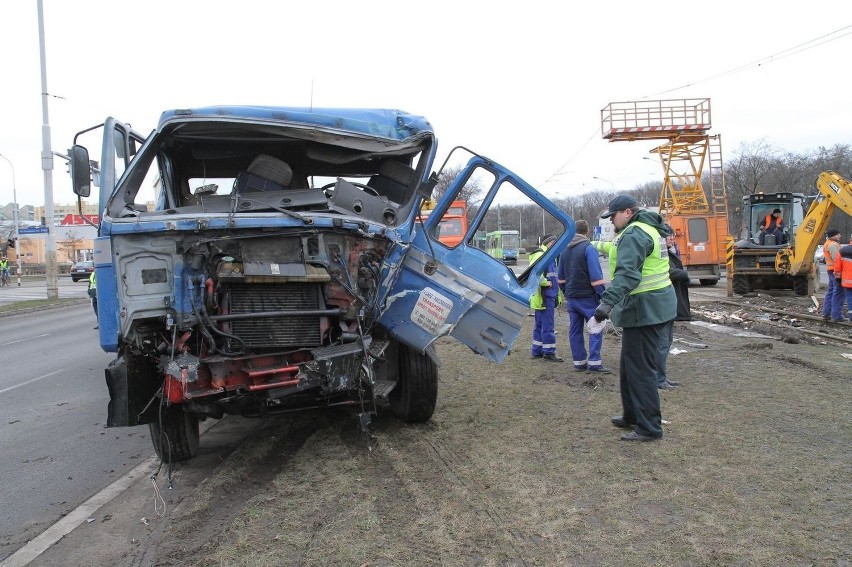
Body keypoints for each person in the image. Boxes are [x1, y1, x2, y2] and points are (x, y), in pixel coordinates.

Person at [592, 195, 676, 442]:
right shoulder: (650, 229)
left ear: (627, 212)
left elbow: (628, 276)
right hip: (653, 306)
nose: (611, 222)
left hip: (645, 309)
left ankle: (649, 427)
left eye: (613, 216)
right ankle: (632, 414)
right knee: (630, 367)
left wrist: (606, 304)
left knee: (641, 370)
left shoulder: (634, 234)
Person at [558, 220, 610, 373]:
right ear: (587, 232)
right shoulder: (589, 248)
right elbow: (596, 277)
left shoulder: (564, 250)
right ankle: (594, 362)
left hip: (572, 298)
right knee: (596, 327)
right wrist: (603, 296)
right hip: (588, 298)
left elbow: (560, 278)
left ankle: (579, 362)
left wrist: (566, 292)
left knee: (575, 330)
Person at [656, 224, 689, 390]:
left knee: (667, 342)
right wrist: (684, 274)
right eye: (668, 235)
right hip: (663, 304)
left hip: (670, 303)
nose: (671, 238)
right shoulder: (660, 255)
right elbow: (666, 272)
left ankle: (662, 377)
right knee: (662, 343)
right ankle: (659, 379)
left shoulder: (668, 252)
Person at [529, 234, 563, 362]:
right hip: (545, 296)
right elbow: (534, 273)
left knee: (540, 324)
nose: (555, 245)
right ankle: (549, 352)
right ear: (549, 243)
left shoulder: (547, 255)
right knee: (547, 325)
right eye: (554, 242)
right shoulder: (541, 255)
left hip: (544, 296)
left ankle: (537, 350)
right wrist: (545, 282)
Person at [821, 228, 844, 322]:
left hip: (831, 270)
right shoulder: (833, 245)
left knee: (831, 292)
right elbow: (838, 259)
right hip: (836, 271)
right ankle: (836, 315)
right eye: (838, 234)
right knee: (838, 293)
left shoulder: (827, 243)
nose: (840, 236)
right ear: (833, 235)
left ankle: (826, 313)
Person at [838, 243, 852, 322]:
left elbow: (837, 266)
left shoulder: (843, 250)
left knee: (850, 298)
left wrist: (838, 278)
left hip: (847, 281)